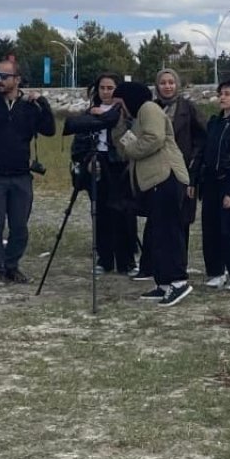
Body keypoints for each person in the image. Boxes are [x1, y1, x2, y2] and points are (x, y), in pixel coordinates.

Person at [0, 58, 55, 284]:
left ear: (17, 79)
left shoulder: (29, 107)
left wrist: (43, 102)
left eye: (4, 77)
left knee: (20, 227)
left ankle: (12, 265)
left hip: (21, 176)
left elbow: (50, 130)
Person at [112, 81, 192, 307]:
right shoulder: (136, 119)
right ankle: (164, 283)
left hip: (166, 177)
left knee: (168, 232)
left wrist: (132, 150)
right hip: (153, 182)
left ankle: (178, 282)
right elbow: (123, 147)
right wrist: (117, 123)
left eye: (120, 103)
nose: (120, 108)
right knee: (157, 233)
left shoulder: (149, 108)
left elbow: (153, 138)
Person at [132, 68, 207, 280]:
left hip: (182, 172)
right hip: (156, 173)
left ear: (177, 84)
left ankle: (178, 268)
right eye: (163, 83)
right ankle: (149, 266)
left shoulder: (188, 108)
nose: (167, 86)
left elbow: (202, 137)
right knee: (155, 221)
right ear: (157, 86)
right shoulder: (150, 108)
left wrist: (194, 163)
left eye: (171, 82)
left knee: (180, 222)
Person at [191, 79, 230, 293]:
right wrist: (194, 179)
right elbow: (203, 152)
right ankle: (216, 272)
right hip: (210, 183)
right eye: (221, 93)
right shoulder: (214, 123)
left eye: (227, 94)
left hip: (229, 182)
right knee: (210, 229)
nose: (222, 97)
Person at [87, 73, 138, 275]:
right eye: (103, 88)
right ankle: (104, 258)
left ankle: (127, 260)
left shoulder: (126, 111)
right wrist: (88, 160)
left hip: (121, 164)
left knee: (125, 212)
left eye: (110, 88)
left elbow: (134, 135)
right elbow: (81, 141)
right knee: (101, 213)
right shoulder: (90, 111)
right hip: (99, 163)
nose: (106, 92)